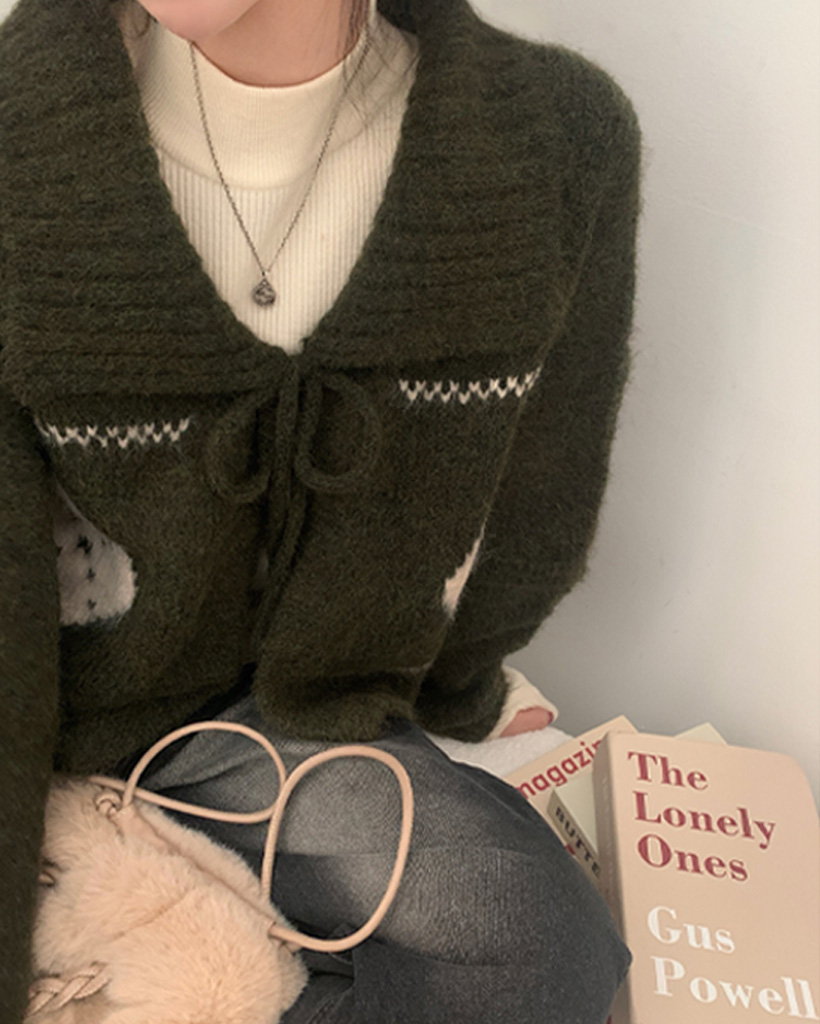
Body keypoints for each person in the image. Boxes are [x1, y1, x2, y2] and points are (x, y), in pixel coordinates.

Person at [0, 0, 642, 1019]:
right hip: (59, 713)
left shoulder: (555, 139)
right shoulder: (18, 130)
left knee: (533, 940)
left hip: (303, 718)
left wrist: (466, 686)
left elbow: (539, 502)